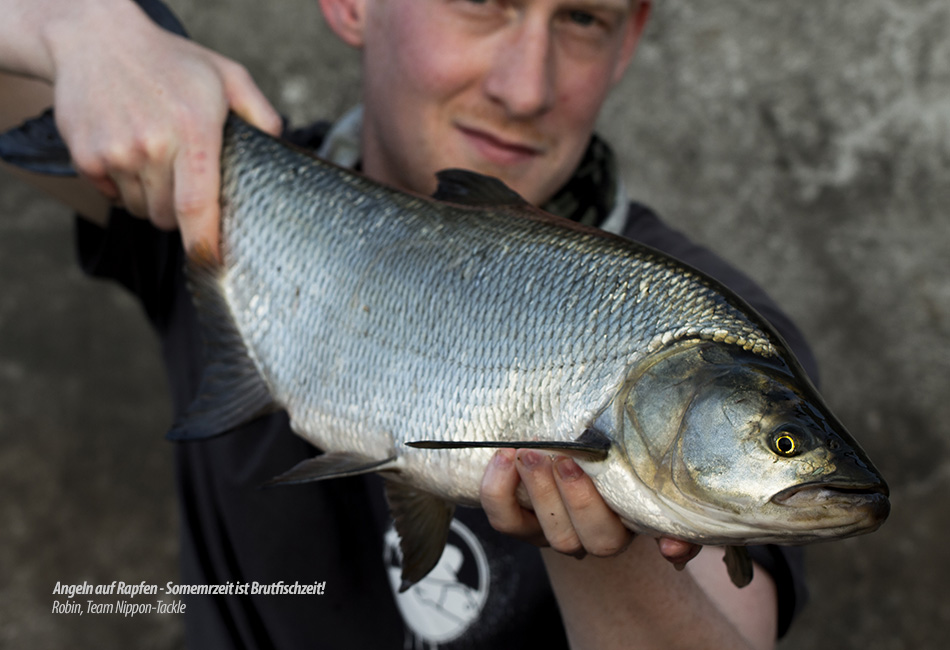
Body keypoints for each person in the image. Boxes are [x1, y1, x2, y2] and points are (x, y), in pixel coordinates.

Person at [0, 0, 814, 648]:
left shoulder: (726, 346)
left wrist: (602, 534)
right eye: (482, 0)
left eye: (582, 17)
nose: (525, 87)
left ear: (630, 37)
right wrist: (82, 27)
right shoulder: (207, 178)